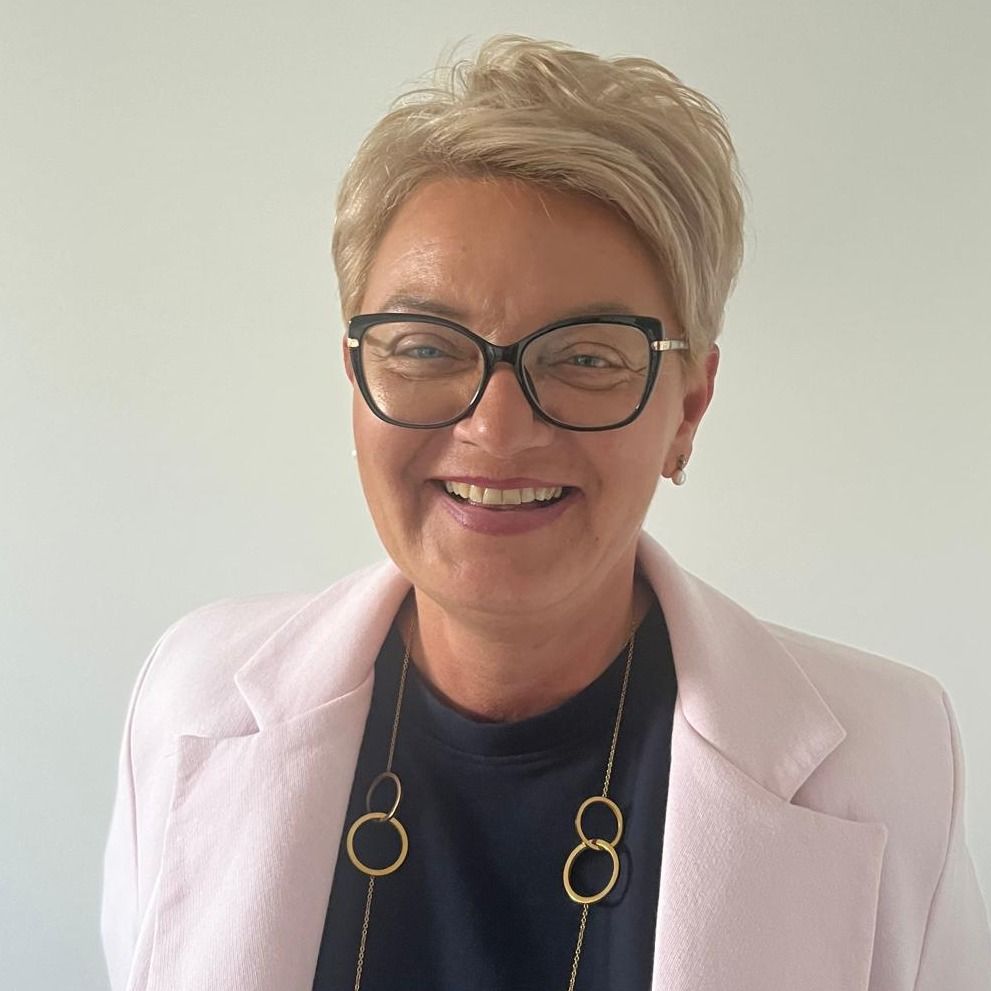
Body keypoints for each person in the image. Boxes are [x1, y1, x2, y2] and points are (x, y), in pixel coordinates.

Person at [100, 34, 991, 991]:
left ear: (688, 408)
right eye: (426, 346)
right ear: (356, 379)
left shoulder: (891, 762)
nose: (495, 429)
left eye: (585, 356)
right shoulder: (188, 699)